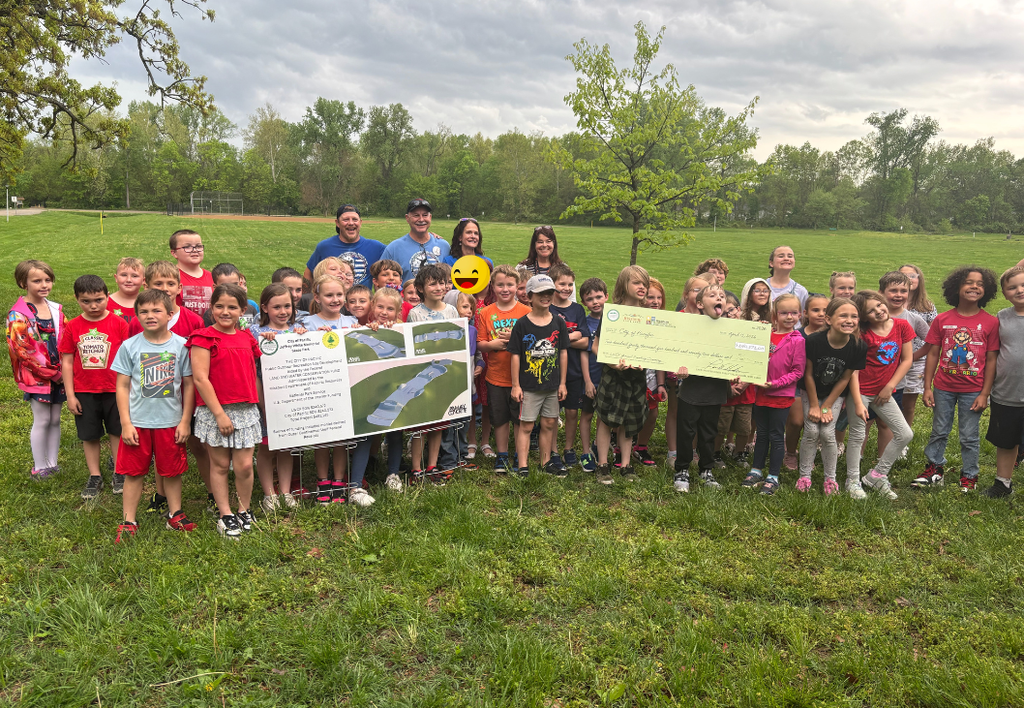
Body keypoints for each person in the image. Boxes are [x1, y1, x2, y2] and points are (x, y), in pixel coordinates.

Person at [112, 289, 196, 541]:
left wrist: (184, 421)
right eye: (144, 311)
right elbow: (122, 386)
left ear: (170, 314)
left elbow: (190, 385)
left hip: (171, 423)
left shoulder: (182, 346)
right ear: (136, 315)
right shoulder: (129, 346)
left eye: (156, 310)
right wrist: (125, 423)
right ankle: (128, 520)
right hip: (138, 423)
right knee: (134, 472)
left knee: (171, 471)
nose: (150, 315)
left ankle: (175, 514)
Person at [129, 260, 208, 514]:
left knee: (197, 445)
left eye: (170, 283)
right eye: (158, 284)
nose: (164, 289)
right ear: (146, 287)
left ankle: (211, 493)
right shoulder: (137, 323)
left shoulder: (193, 321)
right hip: (156, 403)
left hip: (189, 396)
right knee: (162, 449)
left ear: (179, 287)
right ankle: (162, 495)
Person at [915, 266, 1000, 492]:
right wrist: (927, 387)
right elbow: (933, 353)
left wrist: (985, 393)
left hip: (974, 391)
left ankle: (969, 475)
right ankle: (934, 468)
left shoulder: (991, 323)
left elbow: (991, 360)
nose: (974, 287)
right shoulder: (943, 319)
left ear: (987, 290)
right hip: (943, 388)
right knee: (939, 430)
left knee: (969, 435)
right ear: (956, 287)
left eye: (980, 284)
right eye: (968, 282)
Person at [187, 283, 263, 538]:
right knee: (219, 464)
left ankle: (244, 509)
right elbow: (200, 379)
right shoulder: (203, 337)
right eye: (219, 306)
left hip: (245, 410)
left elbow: (255, 369)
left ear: (243, 310)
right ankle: (225, 514)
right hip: (215, 411)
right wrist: (219, 414)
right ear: (211, 307)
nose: (225, 311)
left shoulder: (247, 337)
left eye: (232, 307)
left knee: (243, 466)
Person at [58, 274, 130, 499]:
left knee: (117, 432)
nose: (93, 306)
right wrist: (70, 395)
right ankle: (95, 475)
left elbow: (128, 357)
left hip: (115, 389)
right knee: (89, 435)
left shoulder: (119, 323)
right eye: (86, 301)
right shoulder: (73, 326)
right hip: (84, 390)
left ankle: (120, 472)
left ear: (108, 296)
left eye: (98, 299)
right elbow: (67, 361)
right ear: (76, 299)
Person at [844, 290, 915, 500]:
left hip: (884, 393)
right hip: (860, 392)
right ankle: (853, 480)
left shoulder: (902, 326)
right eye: (870, 311)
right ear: (863, 317)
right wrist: (857, 401)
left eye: (879, 305)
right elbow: (853, 371)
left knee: (905, 434)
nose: (878, 311)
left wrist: (890, 386)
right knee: (857, 436)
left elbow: (907, 360)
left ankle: (876, 475)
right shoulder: (862, 334)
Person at [797, 298, 866, 494]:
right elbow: (808, 374)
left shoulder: (858, 346)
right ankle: (804, 476)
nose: (849, 320)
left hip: (835, 395)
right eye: (843, 315)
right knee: (811, 432)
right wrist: (814, 405)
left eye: (854, 316)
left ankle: (830, 479)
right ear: (828, 319)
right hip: (809, 392)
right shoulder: (813, 341)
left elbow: (845, 379)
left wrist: (826, 406)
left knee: (827, 433)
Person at [673, 283, 738, 493]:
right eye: (712, 295)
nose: (719, 297)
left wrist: (737, 369)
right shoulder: (689, 325)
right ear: (700, 303)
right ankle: (682, 469)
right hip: (690, 391)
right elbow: (677, 349)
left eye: (721, 295)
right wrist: (679, 367)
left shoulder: (732, 330)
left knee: (709, 432)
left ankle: (706, 470)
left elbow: (736, 355)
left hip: (715, 391)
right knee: (686, 432)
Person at [740, 293, 806, 496]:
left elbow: (797, 371)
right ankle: (756, 469)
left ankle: (773, 476)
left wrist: (774, 384)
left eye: (793, 313)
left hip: (781, 396)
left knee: (777, 436)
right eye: (784, 312)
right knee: (761, 434)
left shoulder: (797, 340)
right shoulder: (765, 334)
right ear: (775, 315)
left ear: (800, 315)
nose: (789, 317)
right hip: (760, 394)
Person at [250, 283, 307, 512]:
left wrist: (307, 336)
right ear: (264, 308)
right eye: (276, 307)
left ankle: (285, 491)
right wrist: (263, 404)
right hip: (266, 400)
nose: (283, 312)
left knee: (286, 446)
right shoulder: (256, 333)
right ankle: (269, 494)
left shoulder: (298, 330)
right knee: (267, 447)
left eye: (287, 306)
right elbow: (253, 372)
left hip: (291, 399)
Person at [8, 260, 66, 479]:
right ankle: (39, 466)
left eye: (47, 280)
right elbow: (23, 351)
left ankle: (53, 463)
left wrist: (64, 371)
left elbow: (66, 339)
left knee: (55, 419)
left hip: (59, 375)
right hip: (38, 378)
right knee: (41, 419)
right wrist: (53, 374)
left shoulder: (56, 309)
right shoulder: (18, 315)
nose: (44, 285)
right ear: (23, 283)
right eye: (37, 281)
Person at [303, 274, 358, 502]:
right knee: (323, 437)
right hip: (319, 387)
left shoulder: (351, 321)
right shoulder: (307, 323)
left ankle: (338, 479)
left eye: (339, 295)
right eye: (329, 295)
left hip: (344, 387)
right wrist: (303, 337)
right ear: (317, 297)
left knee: (341, 437)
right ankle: (322, 480)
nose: (335, 299)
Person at [593, 266, 650, 485]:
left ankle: (626, 465)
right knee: (606, 419)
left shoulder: (649, 316)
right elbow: (596, 346)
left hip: (636, 377)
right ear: (623, 285)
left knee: (630, 421)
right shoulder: (612, 313)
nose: (641, 287)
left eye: (644, 283)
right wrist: (613, 363)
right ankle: (602, 464)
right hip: (613, 375)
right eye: (636, 282)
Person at [508, 275, 569, 477]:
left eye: (549, 293)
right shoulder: (522, 325)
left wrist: (562, 383)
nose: (546, 297)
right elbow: (515, 355)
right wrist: (516, 385)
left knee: (549, 423)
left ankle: (546, 462)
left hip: (552, 385)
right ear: (529, 296)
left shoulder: (558, 324)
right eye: (541, 293)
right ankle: (523, 465)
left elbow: (562, 353)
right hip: (529, 386)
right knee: (526, 425)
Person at [477, 265, 531, 473]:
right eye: (500, 285)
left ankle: (520, 454)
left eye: (510, 285)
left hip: (522, 378)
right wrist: (492, 345)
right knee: (499, 418)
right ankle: (502, 455)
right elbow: (480, 342)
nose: (505, 289)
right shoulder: (486, 312)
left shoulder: (526, 312)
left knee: (520, 418)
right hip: (496, 377)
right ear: (493, 286)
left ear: (517, 287)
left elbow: (533, 342)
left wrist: (515, 340)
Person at [877, 271, 929, 458]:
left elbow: (931, 340)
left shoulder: (912, 318)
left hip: (896, 381)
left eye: (903, 291)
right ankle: (857, 456)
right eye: (893, 290)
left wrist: (912, 357)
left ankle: (883, 458)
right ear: (881, 292)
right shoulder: (871, 316)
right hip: (870, 379)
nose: (898, 295)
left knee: (887, 421)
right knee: (864, 421)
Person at [983, 266, 1024, 497]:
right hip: (1007, 393)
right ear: (1005, 293)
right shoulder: (1001, 318)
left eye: (1023, 284)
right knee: (1006, 442)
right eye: (1012, 287)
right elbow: (992, 354)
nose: (1020, 290)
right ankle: (1003, 483)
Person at [548, 264, 590, 471]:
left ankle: (569, 448)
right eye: (561, 284)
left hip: (574, 371)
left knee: (572, 412)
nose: (566, 288)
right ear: (552, 284)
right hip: (552, 370)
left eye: (570, 284)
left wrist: (560, 337)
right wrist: (569, 336)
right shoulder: (547, 308)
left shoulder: (577, 309)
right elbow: (545, 338)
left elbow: (583, 338)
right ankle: (554, 450)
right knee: (553, 413)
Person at [782, 293, 831, 470]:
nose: (820, 314)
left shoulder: (833, 336)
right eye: (815, 310)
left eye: (825, 310)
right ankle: (790, 453)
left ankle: (809, 455)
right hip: (796, 385)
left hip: (823, 387)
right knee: (796, 421)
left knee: (818, 424)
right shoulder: (797, 335)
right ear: (804, 313)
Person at [633, 277, 669, 468]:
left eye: (659, 297)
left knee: (652, 414)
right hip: (631, 374)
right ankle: (618, 444)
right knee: (628, 412)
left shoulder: (663, 324)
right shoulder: (632, 319)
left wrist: (661, 383)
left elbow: (661, 358)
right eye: (650, 297)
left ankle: (641, 446)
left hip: (652, 377)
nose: (655, 301)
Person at [304, 204, 385, 289]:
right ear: (337, 223)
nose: (350, 223)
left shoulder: (376, 247)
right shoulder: (325, 247)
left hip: (361, 300)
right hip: (334, 299)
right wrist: (306, 298)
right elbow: (308, 274)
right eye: (346, 220)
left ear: (360, 223)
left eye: (355, 219)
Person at [899, 263, 938, 426]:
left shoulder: (927, 307)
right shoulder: (888, 304)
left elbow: (933, 339)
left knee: (908, 405)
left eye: (912, 276)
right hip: (889, 360)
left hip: (916, 361)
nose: (909, 279)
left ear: (919, 279)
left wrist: (913, 357)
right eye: (903, 276)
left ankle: (903, 439)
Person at [380, 199, 450, 283]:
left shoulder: (444, 246)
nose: (421, 219)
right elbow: (381, 282)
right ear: (407, 218)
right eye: (416, 215)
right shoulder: (394, 248)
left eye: (425, 215)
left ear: (430, 217)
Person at [579, 277, 607, 473]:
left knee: (603, 416)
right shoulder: (585, 323)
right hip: (591, 377)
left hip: (609, 379)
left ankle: (600, 445)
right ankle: (586, 451)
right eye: (590, 299)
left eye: (599, 297)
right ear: (584, 303)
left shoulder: (613, 320)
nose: (595, 302)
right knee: (587, 414)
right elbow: (584, 352)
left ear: (607, 296)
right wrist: (587, 381)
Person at [169, 229, 213, 317]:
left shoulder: (212, 277)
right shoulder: (170, 277)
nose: (195, 250)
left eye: (198, 246)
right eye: (187, 247)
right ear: (174, 253)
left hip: (207, 329)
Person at [203, 263, 260, 330]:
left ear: (240, 284)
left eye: (235, 284)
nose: (230, 288)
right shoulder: (211, 314)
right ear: (215, 287)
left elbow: (256, 332)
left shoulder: (251, 309)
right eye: (225, 285)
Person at [107, 257, 144, 323]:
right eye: (124, 275)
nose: (128, 280)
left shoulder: (147, 303)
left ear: (143, 280)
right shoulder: (106, 303)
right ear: (116, 278)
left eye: (134, 276)